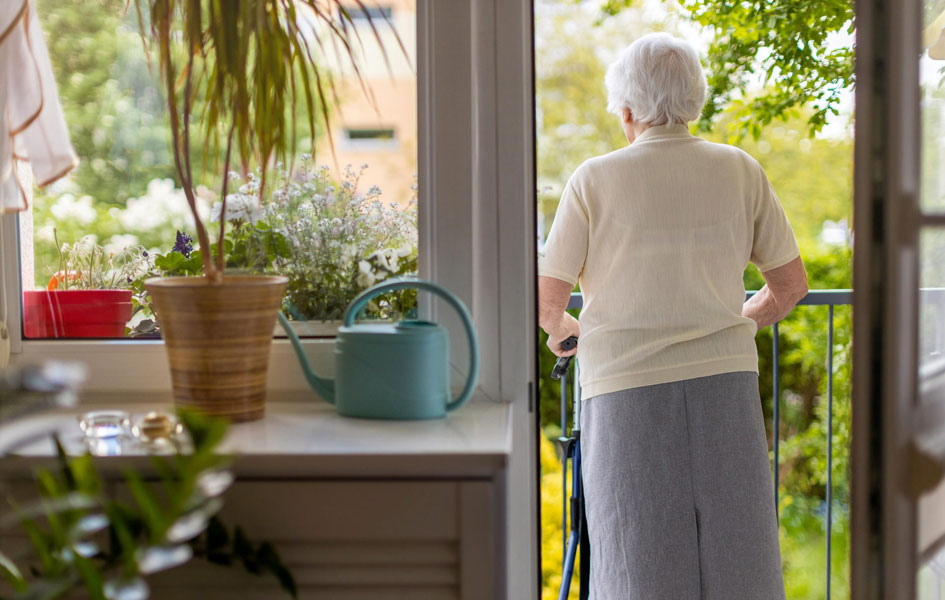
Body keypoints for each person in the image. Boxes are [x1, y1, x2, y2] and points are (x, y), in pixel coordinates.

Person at [538, 32, 808, 599]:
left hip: (625, 393)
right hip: (726, 386)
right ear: (695, 100)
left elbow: (546, 300)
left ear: (628, 109)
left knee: (640, 569)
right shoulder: (740, 170)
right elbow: (788, 287)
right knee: (742, 566)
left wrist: (567, 331)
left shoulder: (594, 178)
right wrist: (734, 323)